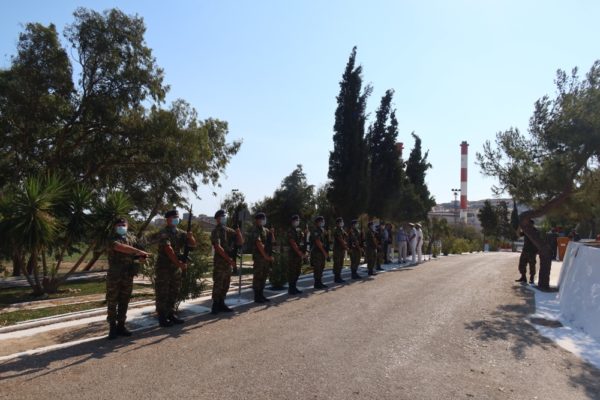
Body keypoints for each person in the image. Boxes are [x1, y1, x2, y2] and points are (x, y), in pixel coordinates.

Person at [106, 217, 150, 340]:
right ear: (114, 227)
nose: (121, 227)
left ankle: (121, 326)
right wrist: (138, 251)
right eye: (119, 225)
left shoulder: (131, 239)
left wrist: (141, 258)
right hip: (115, 276)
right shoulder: (111, 238)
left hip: (128, 275)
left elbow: (135, 258)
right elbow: (121, 248)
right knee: (112, 301)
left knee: (124, 301)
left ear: (127, 226)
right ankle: (112, 328)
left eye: (123, 224)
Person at [155, 209, 196, 327]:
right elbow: (168, 250)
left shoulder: (181, 233)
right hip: (164, 268)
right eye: (173, 217)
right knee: (163, 293)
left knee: (174, 291)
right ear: (167, 219)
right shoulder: (163, 233)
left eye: (177, 217)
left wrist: (191, 237)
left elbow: (193, 245)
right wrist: (179, 264)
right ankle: (162, 318)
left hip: (175, 268)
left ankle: (171, 314)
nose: (176, 219)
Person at [210, 209, 243, 314]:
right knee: (218, 283)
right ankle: (215, 305)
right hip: (220, 263)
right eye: (222, 216)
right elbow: (217, 247)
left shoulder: (229, 230)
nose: (224, 218)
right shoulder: (215, 231)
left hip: (228, 263)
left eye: (225, 216)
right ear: (217, 219)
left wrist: (238, 232)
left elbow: (240, 242)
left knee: (226, 283)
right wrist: (229, 260)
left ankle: (222, 303)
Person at [251, 212, 274, 303]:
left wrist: (272, 233)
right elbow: (258, 243)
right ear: (257, 220)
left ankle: (261, 294)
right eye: (262, 219)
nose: (264, 220)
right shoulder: (255, 230)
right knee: (258, 277)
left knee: (264, 276)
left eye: (264, 219)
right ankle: (257, 296)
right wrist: (266, 256)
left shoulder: (266, 230)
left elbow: (273, 241)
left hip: (265, 258)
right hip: (259, 258)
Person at [287, 214, 306, 295]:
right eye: (296, 220)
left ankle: (294, 287)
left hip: (298, 254)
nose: (297, 222)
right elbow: (292, 242)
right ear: (292, 221)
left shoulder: (299, 230)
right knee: (292, 272)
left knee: (297, 271)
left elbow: (302, 241)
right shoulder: (290, 230)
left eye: (298, 220)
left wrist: (305, 234)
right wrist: (299, 252)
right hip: (293, 255)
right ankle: (291, 288)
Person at [515, 219, 538, 284]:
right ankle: (523, 277)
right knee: (521, 264)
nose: (528, 225)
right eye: (528, 224)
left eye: (530, 224)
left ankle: (531, 278)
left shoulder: (535, 231)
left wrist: (537, 250)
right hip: (525, 250)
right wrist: (519, 227)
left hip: (532, 251)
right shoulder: (526, 231)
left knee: (532, 265)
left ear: (532, 224)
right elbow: (518, 234)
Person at [310, 216, 329, 289]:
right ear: (318, 222)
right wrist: (324, 252)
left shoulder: (322, 230)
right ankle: (317, 283)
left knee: (321, 267)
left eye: (323, 221)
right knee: (317, 268)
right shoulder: (315, 231)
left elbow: (325, 242)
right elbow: (318, 242)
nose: (323, 223)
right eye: (322, 221)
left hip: (321, 252)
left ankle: (320, 282)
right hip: (317, 253)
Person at [332, 217, 349, 283]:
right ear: (338, 223)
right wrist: (345, 246)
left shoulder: (341, 229)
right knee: (337, 263)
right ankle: (336, 277)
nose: (342, 223)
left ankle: (339, 277)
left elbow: (346, 236)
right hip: (337, 249)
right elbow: (340, 239)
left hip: (341, 249)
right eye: (341, 222)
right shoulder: (336, 230)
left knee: (340, 263)